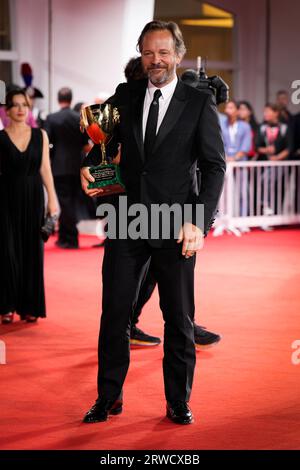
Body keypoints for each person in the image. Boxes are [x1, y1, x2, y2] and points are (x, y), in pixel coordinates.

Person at [81, 20, 225, 425]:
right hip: (128, 221)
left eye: (163, 52)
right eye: (148, 52)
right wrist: (89, 167)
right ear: (140, 55)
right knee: (114, 315)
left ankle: (177, 401)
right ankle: (107, 398)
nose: (155, 60)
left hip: (177, 223)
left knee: (178, 318)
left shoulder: (198, 102)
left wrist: (198, 220)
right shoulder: (124, 95)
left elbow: (214, 167)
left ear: (178, 54)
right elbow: (101, 144)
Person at [0, 89, 58, 324]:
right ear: (7, 110)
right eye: (15, 105)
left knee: (32, 251)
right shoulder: (0, 138)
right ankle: (6, 305)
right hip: (5, 199)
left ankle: (29, 306)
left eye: (24, 104)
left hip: (34, 198)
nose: (21, 109)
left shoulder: (40, 135)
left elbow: (45, 168)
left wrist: (52, 198)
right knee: (7, 252)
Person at [45, 87, 89, 249]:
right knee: (72, 201)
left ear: (58, 99)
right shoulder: (79, 117)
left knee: (65, 203)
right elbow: (85, 144)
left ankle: (70, 238)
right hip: (77, 166)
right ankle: (64, 236)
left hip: (58, 166)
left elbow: (47, 143)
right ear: (71, 99)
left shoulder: (52, 118)